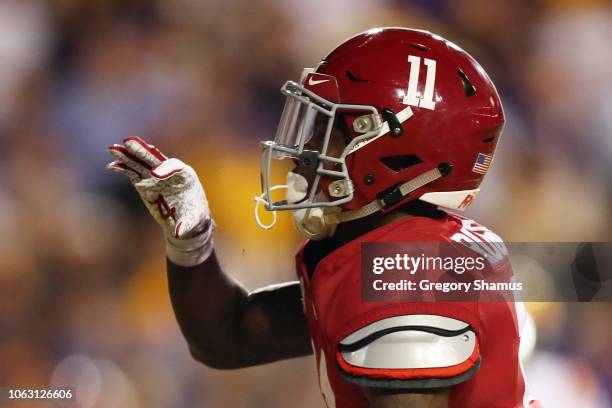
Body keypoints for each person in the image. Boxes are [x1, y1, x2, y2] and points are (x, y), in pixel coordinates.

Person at [107, 28, 541, 408]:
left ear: (397, 153)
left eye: (330, 130)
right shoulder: (398, 252)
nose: (305, 150)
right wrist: (192, 240)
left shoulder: (406, 273)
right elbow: (228, 338)